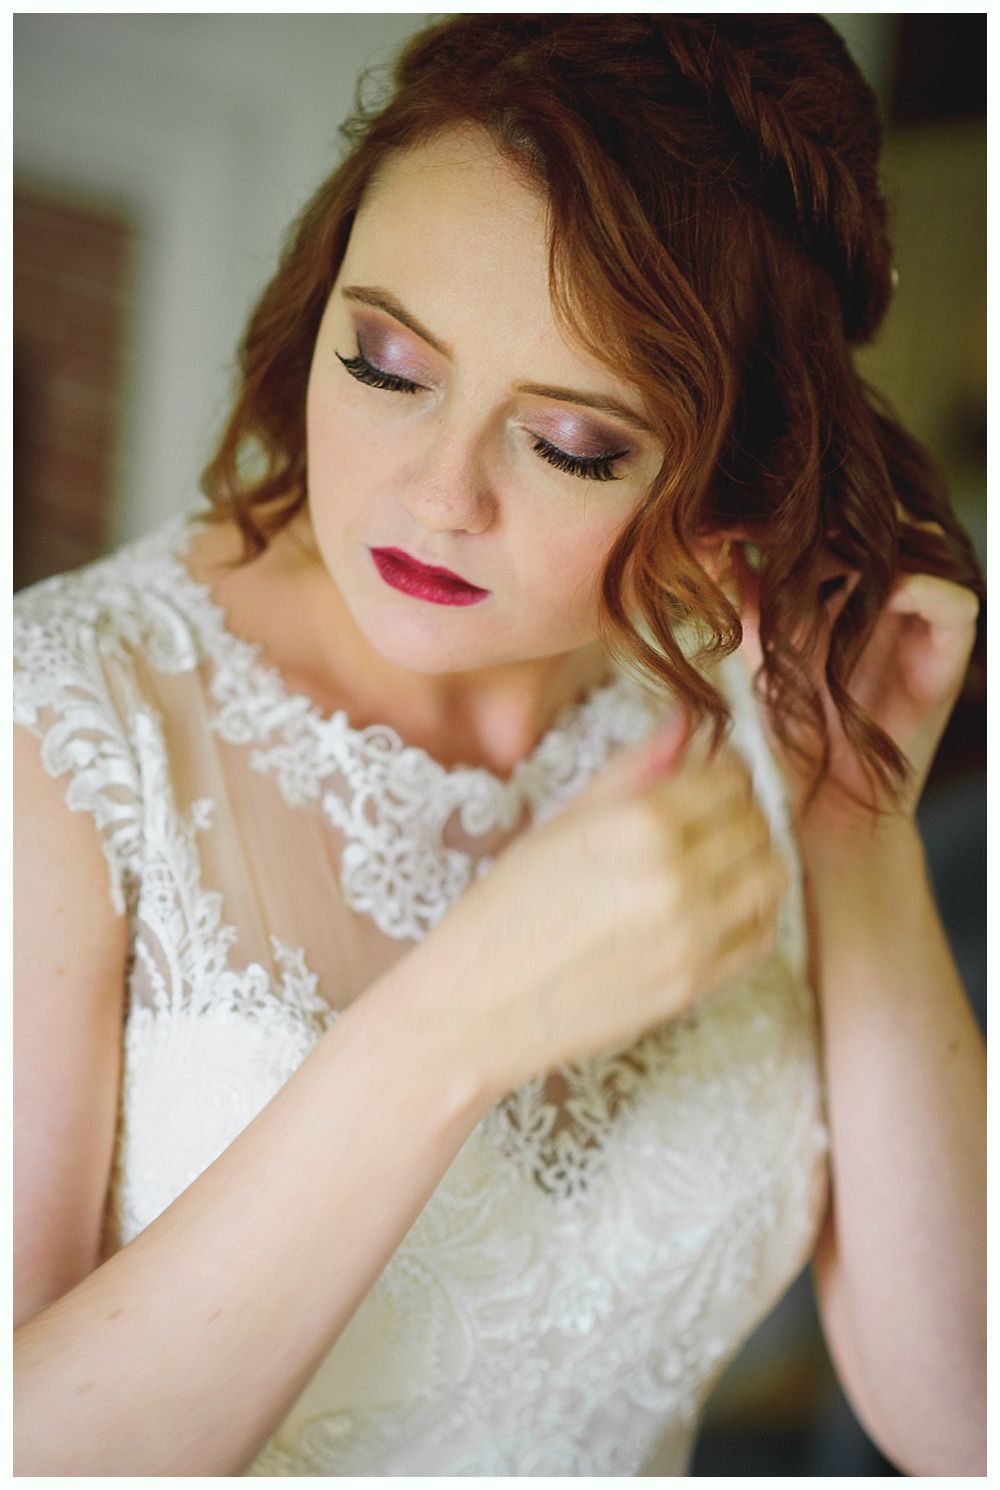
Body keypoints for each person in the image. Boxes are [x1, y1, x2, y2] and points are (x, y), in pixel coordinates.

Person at [13, 13, 985, 1477]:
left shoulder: (753, 706)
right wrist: (454, 1022)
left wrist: (855, 820)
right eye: (388, 362)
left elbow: (967, 1412)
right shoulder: (67, 723)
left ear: (731, 471)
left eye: (572, 445)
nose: (436, 490)